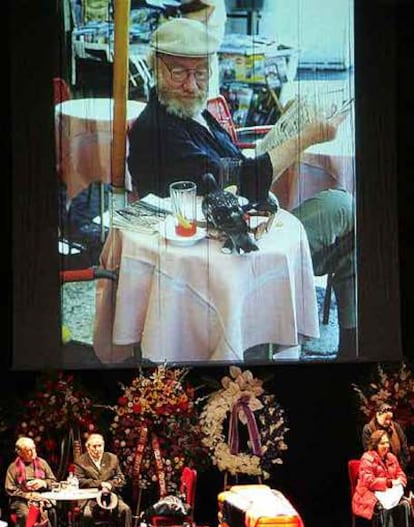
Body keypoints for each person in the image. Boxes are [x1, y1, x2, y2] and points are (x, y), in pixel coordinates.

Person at [127, 17, 356, 358]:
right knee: (345, 210)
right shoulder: (158, 130)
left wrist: (284, 132)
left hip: (244, 234)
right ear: (155, 68)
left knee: (347, 218)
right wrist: (306, 137)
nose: (191, 85)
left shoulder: (192, 113)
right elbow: (241, 183)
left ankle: (353, 346)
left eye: (200, 73)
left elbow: (235, 162)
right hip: (224, 259)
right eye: (178, 72)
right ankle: (350, 348)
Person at [352, 429, 414, 527]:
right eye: (382, 443)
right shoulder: (367, 458)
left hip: (388, 492)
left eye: (387, 443)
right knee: (384, 504)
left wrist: (400, 481)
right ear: (375, 444)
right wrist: (389, 483)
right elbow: (368, 481)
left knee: (404, 504)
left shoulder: (391, 457)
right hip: (367, 494)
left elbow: (401, 474)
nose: (386, 446)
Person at [74, 433, 133, 527]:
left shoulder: (112, 458)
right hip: (91, 497)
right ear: (88, 447)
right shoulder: (80, 461)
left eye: (100, 446)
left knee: (125, 510)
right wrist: (101, 484)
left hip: (110, 495)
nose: (97, 449)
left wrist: (110, 485)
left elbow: (121, 478)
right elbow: (80, 481)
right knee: (86, 514)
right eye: (94, 446)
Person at [4, 437, 58, 527]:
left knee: (52, 511)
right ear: (20, 452)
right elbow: (9, 489)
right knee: (25, 513)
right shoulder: (13, 467)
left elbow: (53, 481)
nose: (33, 451)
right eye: (28, 450)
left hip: (41, 497)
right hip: (21, 500)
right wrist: (27, 495)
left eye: (33, 448)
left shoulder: (42, 463)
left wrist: (43, 483)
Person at [362, 403, 410, 470]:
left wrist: (401, 467)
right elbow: (369, 451)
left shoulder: (395, 426)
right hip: (378, 468)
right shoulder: (368, 429)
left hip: (399, 466)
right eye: (386, 419)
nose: (388, 422)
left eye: (390, 419)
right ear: (378, 415)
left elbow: (404, 448)